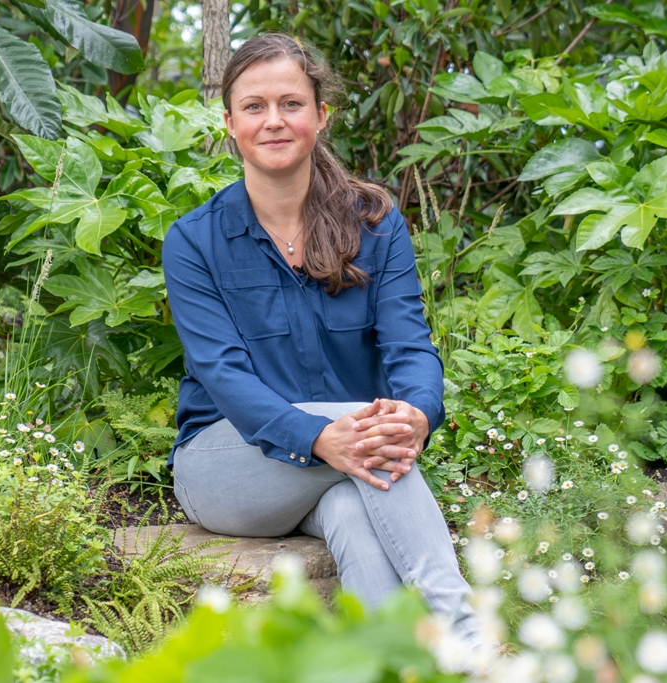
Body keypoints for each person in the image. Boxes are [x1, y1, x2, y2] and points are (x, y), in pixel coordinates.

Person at [161, 33, 479, 642]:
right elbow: (223, 377)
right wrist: (321, 435)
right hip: (229, 468)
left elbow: (410, 347)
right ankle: (467, 638)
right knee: (370, 443)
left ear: (321, 116)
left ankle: (382, 662)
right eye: (254, 107)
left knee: (354, 507)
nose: (273, 121)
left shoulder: (376, 225)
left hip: (351, 458)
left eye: (291, 103)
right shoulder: (194, 240)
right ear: (229, 123)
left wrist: (416, 413)